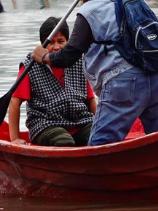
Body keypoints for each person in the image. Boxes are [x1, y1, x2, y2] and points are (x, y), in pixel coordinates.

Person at [31, 0, 158, 146]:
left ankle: (96, 175)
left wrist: (45, 57)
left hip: (124, 84)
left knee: (100, 144)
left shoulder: (89, 11)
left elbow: (69, 55)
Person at [8, 16, 96, 147]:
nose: (56, 47)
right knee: (64, 142)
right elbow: (14, 102)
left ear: (68, 42)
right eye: (50, 42)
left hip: (80, 121)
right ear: (42, 45)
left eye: (61, 41)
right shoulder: (29, 66)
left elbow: (90, 100)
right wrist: (15, 138)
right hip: (46, 124)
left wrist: (97, 124)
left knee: (101, 136)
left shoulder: (77, 61)